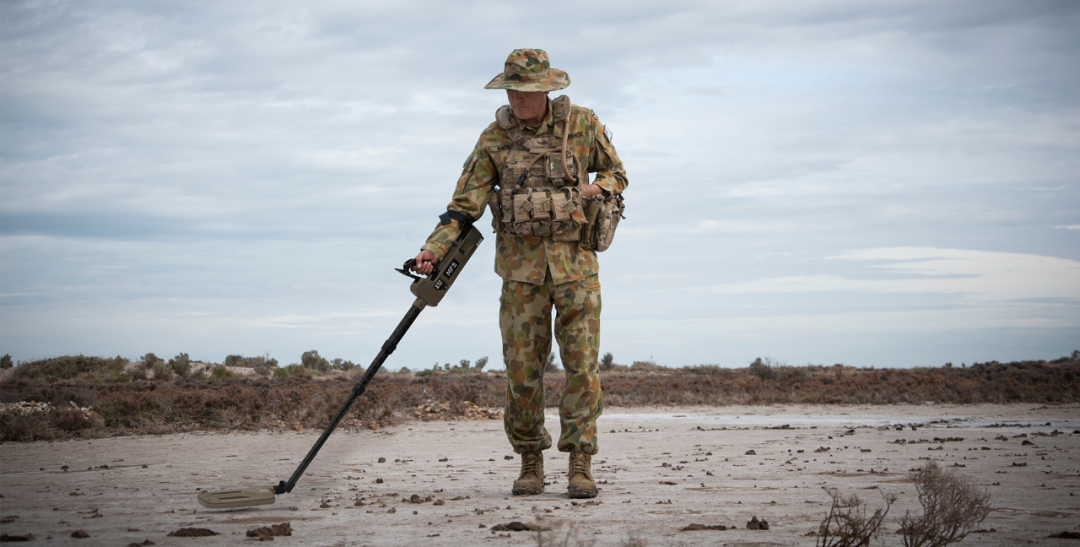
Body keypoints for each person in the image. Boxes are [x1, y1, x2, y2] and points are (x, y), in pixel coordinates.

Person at [411, 48, 627, 499]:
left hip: (576, 272)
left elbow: (617, 174)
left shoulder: (583, 124)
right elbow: (462, 206)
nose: (519, 100)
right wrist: (432, 250)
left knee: (582, 369)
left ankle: (580, 463)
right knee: (522, 373)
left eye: (527, 91)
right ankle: (530, 461)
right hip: (520, 275)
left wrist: (594, 187)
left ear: (546, 88)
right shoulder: (495, 138)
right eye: (512, 90)